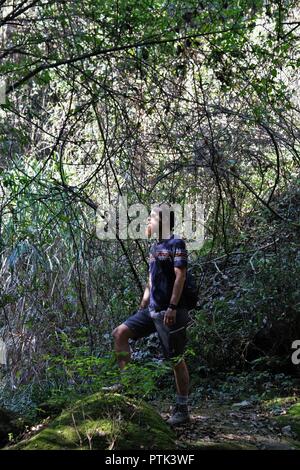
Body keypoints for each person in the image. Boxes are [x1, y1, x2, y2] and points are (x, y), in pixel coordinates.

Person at [106, 203, 191, 425]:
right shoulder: (155, 248)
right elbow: (152, 278)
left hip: (170, 311)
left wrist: (172, 307)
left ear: (162, 222)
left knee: (176, 359)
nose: (147, 222)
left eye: (151, 218)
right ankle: (128, 386)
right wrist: (144, 301)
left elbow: (180, 276)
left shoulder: (176, 243)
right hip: (151, 310)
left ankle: (182, 409)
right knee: (120, 333)